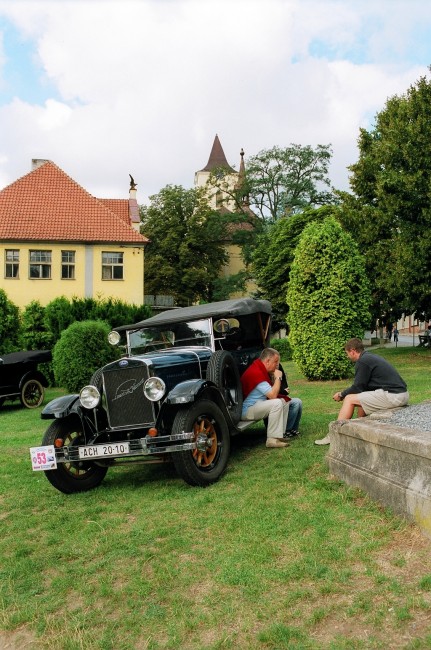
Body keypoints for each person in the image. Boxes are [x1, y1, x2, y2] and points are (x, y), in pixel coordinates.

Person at [315, 337, 409, 445]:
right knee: (360, 396)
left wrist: (341, 395)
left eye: (347, 353)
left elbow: (357, 387)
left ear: (353, 351)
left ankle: (333, 435)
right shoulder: (369, 357)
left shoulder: (363, 361)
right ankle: (360, 429)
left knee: (349, 399)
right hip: (401, 394)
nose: (347, 356)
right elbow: (362, 389)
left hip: (394, 396)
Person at [241, 348, 290, 448]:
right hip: (247, 411)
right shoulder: (256, 372)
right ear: (267, 361)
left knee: (284, 401)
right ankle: (272, 440)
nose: (277, 365)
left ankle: (279, 436)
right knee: (277, 402)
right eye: (275, 362)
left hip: (255, 406)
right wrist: (278, 377)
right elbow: (273, 395)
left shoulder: (258, 368)